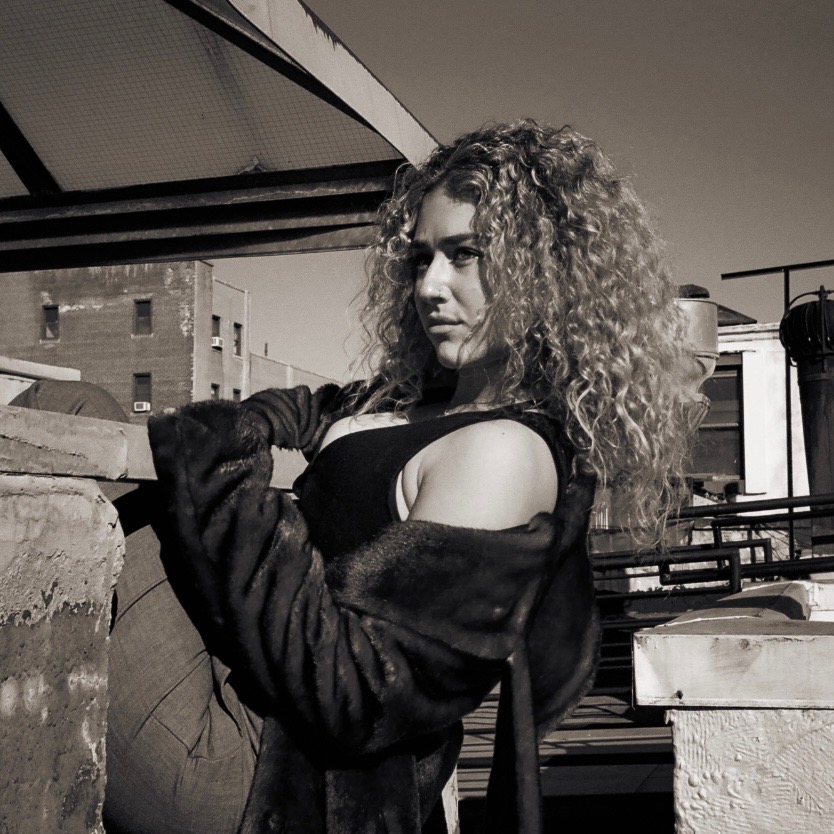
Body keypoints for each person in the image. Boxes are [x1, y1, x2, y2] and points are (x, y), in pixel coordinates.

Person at [27, 120, 693, 834]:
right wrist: (246, 436)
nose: (430, 286)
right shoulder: (411, 404)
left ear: (547, 271)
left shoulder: (502, 452)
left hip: (263, 775)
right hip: (233, 695)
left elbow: (360, 695)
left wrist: (222, 487)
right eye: (422, 258)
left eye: (466, 255)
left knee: (70, 411)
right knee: (71, 415)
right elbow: (304, 412)